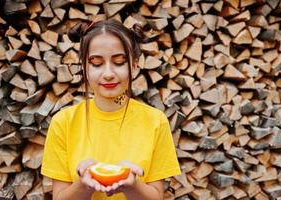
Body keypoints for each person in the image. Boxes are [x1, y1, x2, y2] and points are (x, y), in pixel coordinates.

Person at [41, 18, 181, 200]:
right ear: (84, 66)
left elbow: (156, 197)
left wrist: (132, 185)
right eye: (97, 63)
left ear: (134, 64)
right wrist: (83, 184)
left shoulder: (155, 121)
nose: (108, 74)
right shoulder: (63, 122)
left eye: (119, 62)